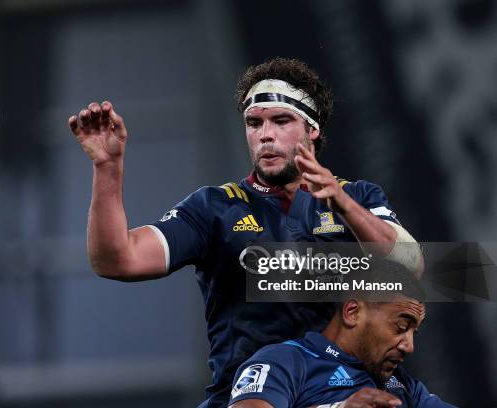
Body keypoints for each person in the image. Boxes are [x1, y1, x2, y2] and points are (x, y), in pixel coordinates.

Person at [68, 57, 422, 408]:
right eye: (254, 123)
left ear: (312, 130)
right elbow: (117, 260)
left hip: (343, 397)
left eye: (281, 121)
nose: (265, 135)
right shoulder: (214, 208)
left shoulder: (358, 197)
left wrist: (342, 205)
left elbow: (409, 266)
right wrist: (108, 167)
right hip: (245, 399)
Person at [227, 292, 455, 408]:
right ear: (353, 312)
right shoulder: (284, 362)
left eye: (413, 332)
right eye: (401, 327)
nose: (409, 346)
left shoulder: (405, 388)